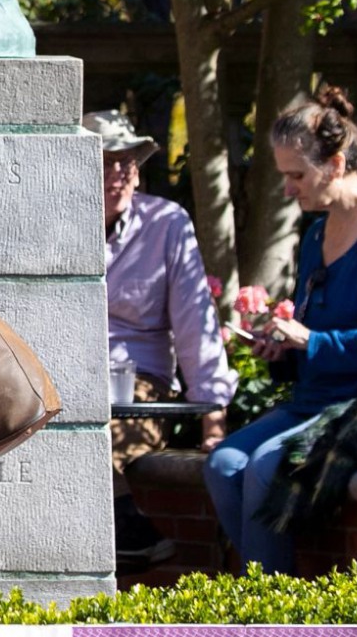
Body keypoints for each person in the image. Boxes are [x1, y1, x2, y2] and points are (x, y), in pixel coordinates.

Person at [204, 85, 357, 574]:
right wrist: (282, 347)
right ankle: (265, 593)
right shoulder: (315, 235)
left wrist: (312, 341)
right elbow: (310, 328)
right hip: (313, 397)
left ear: (337, 164)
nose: (288, 189)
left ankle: (271, 614)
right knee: (224, 465)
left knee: (266, 466)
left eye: (297, 175)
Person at [86, 108, 236, 570]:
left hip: (139, 383)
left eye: (129, 162)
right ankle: (131, 534)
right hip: (64, 378)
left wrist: (212, 420)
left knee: (94, 440)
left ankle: (134, 536)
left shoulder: (167, 223)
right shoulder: (54, 220)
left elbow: (196, 322)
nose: (119, 174)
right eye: (106, 160)